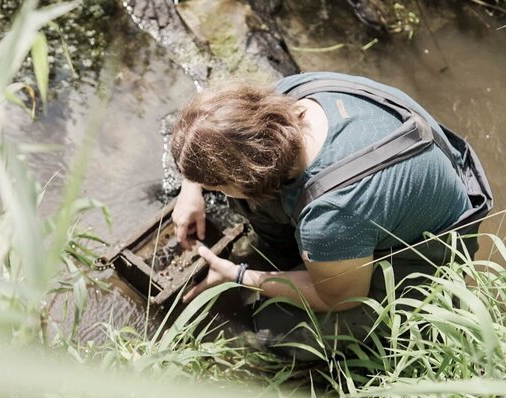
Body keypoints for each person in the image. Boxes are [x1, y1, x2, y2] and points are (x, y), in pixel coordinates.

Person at [170, 71, 491, 358]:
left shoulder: (329, 212)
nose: (214, 190)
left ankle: (388, 305)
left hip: (429, 251)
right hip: (411, 188)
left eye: (217, 186)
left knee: (277, 329)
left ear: (245, 175)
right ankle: (320, 260)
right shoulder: (287, 97)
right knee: (253, 203)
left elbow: (341, 299)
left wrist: (239, 276)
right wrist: (191, 189)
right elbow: (221, 136)